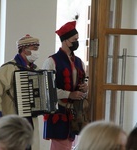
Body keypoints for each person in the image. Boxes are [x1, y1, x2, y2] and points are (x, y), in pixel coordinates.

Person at [0, 34, 40, 150]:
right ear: (24, 49)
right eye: (34, 49)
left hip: (29, 120)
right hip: (11, 115)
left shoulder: (35, 70)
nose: (37, 52)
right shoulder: (9, 68)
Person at [42, 21, 88, 150]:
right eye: (74, 39)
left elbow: (83, 81)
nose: (77, 42)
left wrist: (85, 87)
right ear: (65, 40)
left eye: (77, 39)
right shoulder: (51, 61)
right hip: (59, 111)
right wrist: (69, 94)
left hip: (76, 113)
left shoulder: (79, 62)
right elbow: (47, 90)